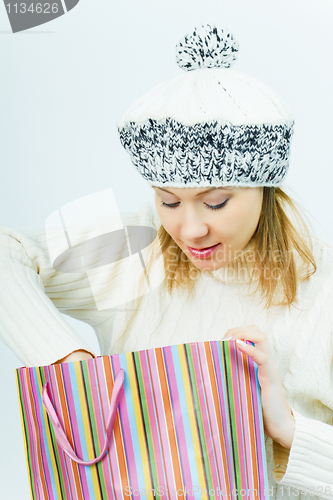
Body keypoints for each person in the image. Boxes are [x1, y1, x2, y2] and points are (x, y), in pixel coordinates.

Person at [0, 24, 333, 498]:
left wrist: (287, 428)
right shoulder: (135, 241)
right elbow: (6, 250)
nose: (189, 230)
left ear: (265, 185)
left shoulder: (325, 288)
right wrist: (72, 364)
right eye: (168, 200)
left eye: (215, 202)